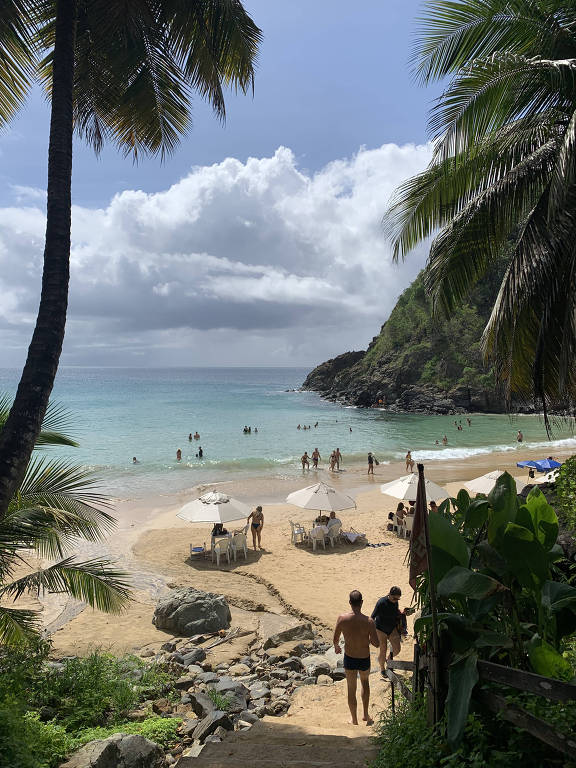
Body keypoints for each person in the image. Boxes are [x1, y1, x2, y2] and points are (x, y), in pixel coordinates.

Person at [333, 590, 379, 726]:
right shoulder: (369, 621)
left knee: (351, 687)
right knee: (365, 683)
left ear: (350, 603)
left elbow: (335, 639)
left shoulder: (342, 619)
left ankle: (354, 719)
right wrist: (370, 638)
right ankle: (365, 714)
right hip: (364, 658)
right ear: (362, 603)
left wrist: (336, 647)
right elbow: (376, 643)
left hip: (350, 657)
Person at [371, 586, 402, 673]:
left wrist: (403, 613)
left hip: (392, 628)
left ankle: (388, 660)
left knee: (397, 649)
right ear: (389, 594)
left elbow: (395, 613)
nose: (396, 600)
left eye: (398, 599)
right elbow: (372, 617)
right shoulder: (381, 602)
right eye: (394, 598)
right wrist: (371, 632)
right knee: (383, 650)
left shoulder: (395, 602)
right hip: (380, 629)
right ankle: (382, 669)